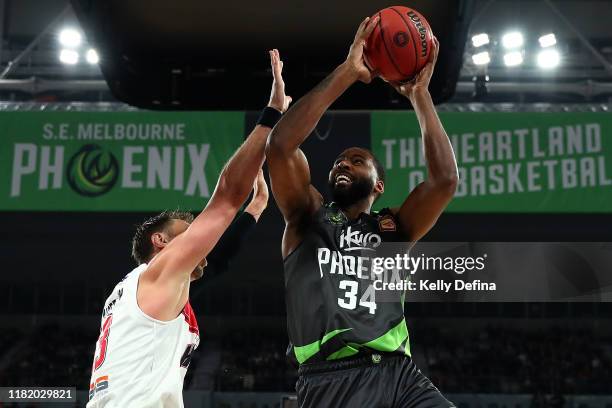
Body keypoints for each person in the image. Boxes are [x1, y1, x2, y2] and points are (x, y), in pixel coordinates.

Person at [266, 17, 458, 407]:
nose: (343, 165)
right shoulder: (307, 216)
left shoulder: (395, 228)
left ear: (379, 184)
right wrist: (349, 72)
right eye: (339, 162)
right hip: (332, 378)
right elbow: (280, 147)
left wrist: (419, 94)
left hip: (401, 375)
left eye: (356, 160)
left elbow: (445, 181)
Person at [87, 49, 291, 408]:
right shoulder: (158, 275)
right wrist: (272, 115)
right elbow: (227, 196)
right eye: (190, 230)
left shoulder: (135, 291)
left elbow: (220, 257)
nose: (201, 238)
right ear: (161, 241)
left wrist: (256, 207)